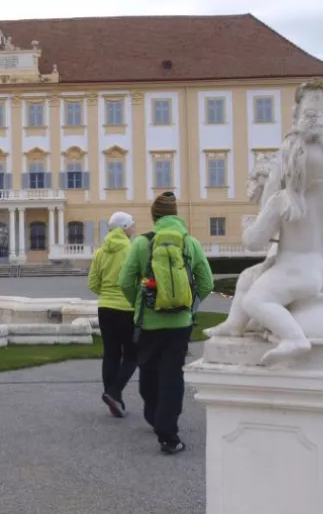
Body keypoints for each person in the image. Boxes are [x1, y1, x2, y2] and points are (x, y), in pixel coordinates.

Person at [119, 192, 213, 455]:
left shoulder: (141, 244)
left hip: (149, 322)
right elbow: (207, 283)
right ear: (176, 215)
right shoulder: (189, 243)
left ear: (154, 216)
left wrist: (141, 305)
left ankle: (153, 414)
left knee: (148, 368)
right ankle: (169, 436)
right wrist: (189, 308)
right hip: (179, 323)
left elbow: (125, 282)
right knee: (172, 374)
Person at [87, 211, 138, 418]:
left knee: (111, 354)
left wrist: (107, 295)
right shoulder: (132, 250)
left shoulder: (100, 252)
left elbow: (92, 283)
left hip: (105, 308)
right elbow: (138, 280)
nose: (134, 228)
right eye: (132, 225)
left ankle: (113, 399)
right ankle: (114, 393)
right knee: (133, 355)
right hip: (127, 308)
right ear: (125, 228)